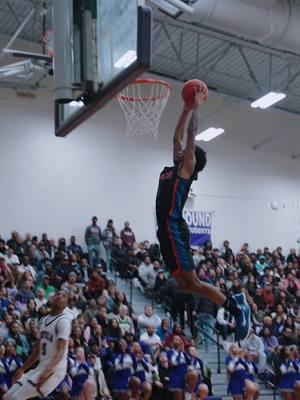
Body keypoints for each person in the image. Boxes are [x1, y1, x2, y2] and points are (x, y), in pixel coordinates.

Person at [155, 83, 250, 341]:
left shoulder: (185, 169)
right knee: (187, 286)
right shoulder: (173, 165)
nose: (179, 148)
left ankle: (236, 306)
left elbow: (190, 133)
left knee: (193, 283)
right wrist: (185, 109)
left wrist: (196, 108)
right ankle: (234, 303)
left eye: (184, 150)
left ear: (190, 159)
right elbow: (177, 136)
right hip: (165, 232)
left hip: (173, 229)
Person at [4, 290, 71, 400]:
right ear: (52, 298)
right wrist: (22, 368)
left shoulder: (63, 321)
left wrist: (48, 370)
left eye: (64, 296)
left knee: (16, 398)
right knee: (8, 396)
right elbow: (39, 349)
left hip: (54, 369)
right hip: (41, 367)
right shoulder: (44, 320)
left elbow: (61, 351)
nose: (60, 296)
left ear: (66, 304)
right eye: (58, 294)